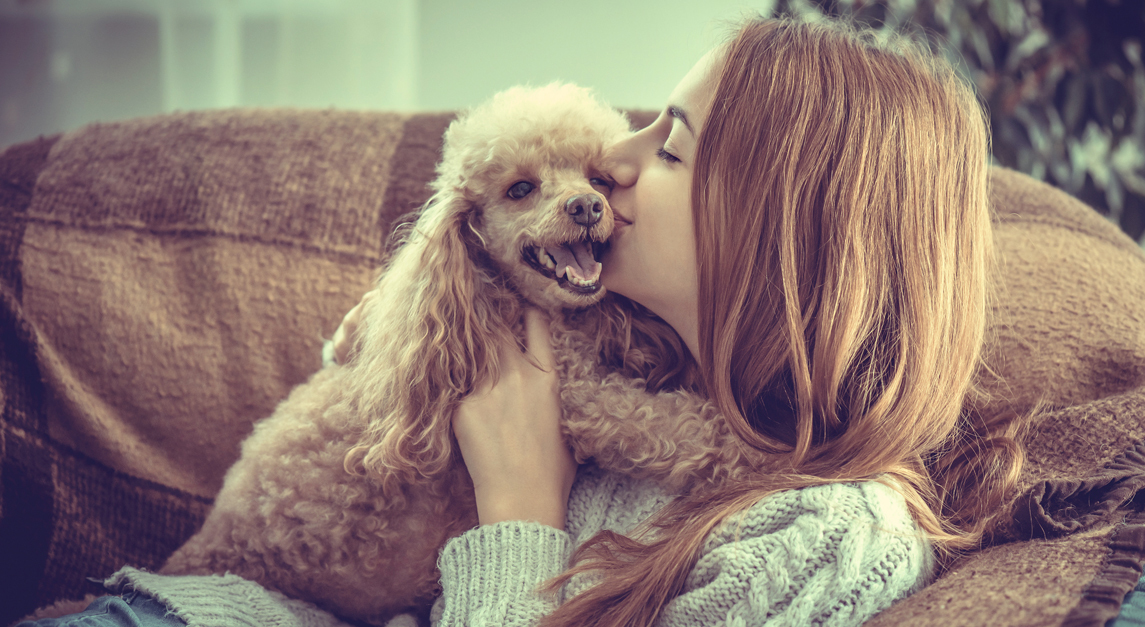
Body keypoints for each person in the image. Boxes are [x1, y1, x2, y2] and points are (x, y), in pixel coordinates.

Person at [24, 15, 1025, 627]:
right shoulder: (630, 346)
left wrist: (519, 506)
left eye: (667, 149)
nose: (616, 163)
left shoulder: (818, 539)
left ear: (783, 243)